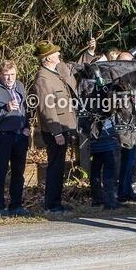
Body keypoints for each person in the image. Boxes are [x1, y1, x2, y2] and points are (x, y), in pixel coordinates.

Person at [32, 41, 79, 212]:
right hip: (55, 130)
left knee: (59, 168)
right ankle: (52, 204)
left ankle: (57, 201)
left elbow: (73, 89)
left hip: (64, 127)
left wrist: (65, 70)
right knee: (55, 168)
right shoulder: (43, 79)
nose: (59, 55)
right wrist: (57, 132)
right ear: (47, 58)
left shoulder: (55, 73)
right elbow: (47, 108)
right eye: (56, 54)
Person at [0, 61, 30, 216]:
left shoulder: (20, 86)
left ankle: (16, 205)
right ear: (0, 74)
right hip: (2, 136)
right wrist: (6, 109)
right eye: (6, 75)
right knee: (0, 172)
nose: (9, 78)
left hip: (20, 136)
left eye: (12, 74)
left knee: (18, 172)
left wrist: (27, 126)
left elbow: (25, 109)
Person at [87, 116, 118, 209]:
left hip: (94, 134)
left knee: (96, 168)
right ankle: (110, 202)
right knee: (109, 170)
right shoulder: (105, 102)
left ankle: (97, 200)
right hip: (105, 133)